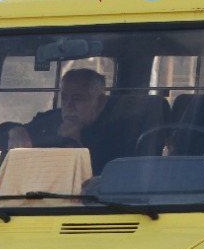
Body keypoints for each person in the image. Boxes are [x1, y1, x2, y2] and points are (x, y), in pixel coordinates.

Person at [8, 68, 136, 175]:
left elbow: (105, 178)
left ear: (100, 101)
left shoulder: (119, 132)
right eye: (64, 98)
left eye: (77, 99)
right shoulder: (53, 119)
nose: (69, 106)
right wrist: (15, 131)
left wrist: (75, 143)